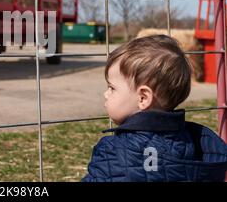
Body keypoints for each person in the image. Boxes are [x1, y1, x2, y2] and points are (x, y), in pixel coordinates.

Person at [81, 35, 227, 182]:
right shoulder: (194, 144)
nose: (106, 94)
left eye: (112, 88)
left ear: (143, 98)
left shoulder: (114, 152)